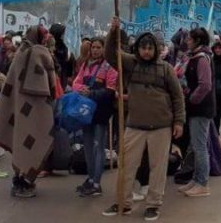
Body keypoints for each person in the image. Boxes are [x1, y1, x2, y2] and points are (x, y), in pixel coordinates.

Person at [103, 17, 185, 221]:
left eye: (150, 48)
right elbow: (111, 55)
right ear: (137, 49)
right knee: (126, 166)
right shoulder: (130, 64)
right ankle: (124, 202)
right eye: (143, 47)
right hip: (135, 126)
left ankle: (153, 204)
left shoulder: (166, 69)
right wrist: (114, 32)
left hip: (161, 127)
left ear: (156, 49)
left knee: (158, 168)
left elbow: (177, 96)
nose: (146, 51)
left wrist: (178, 122)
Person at [0, 25, 57, 199]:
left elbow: (10, 84)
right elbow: (52, 83)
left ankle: (19, 178)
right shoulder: (42, 54)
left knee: (21, 139)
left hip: (18, 107)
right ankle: (26, 181)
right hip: (39, 110)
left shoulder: (20, 53)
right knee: (35, 139)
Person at [71, 37, 118, 197]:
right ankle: (90, 179)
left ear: (104, 48)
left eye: (99, 47)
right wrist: (84, 89)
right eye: (93, 47)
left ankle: (97, 183)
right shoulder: (85, 65)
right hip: (86, 112)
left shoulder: (109, 66)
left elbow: (111, 90)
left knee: (99, 147)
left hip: (101, 112)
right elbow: (75, 83)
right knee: (88, 147)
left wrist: (92, 93)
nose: (95, 50)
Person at [178, 27, 215, 198]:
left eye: (190, 39)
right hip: (196, 108)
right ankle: (196, 179)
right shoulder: (194, 57)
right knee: (195, 145)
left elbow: (205, 85)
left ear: (198, 41)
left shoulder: (202, 59)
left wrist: (192, 98)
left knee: (200, 147)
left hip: (201, 109)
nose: (187, 41)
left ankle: (203, 183)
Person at [49, 23, 77, 87]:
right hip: (53, 76)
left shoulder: (64, 46)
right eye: (63, 33)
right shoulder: (49, 46)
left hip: (62, 76)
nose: (64, 35)